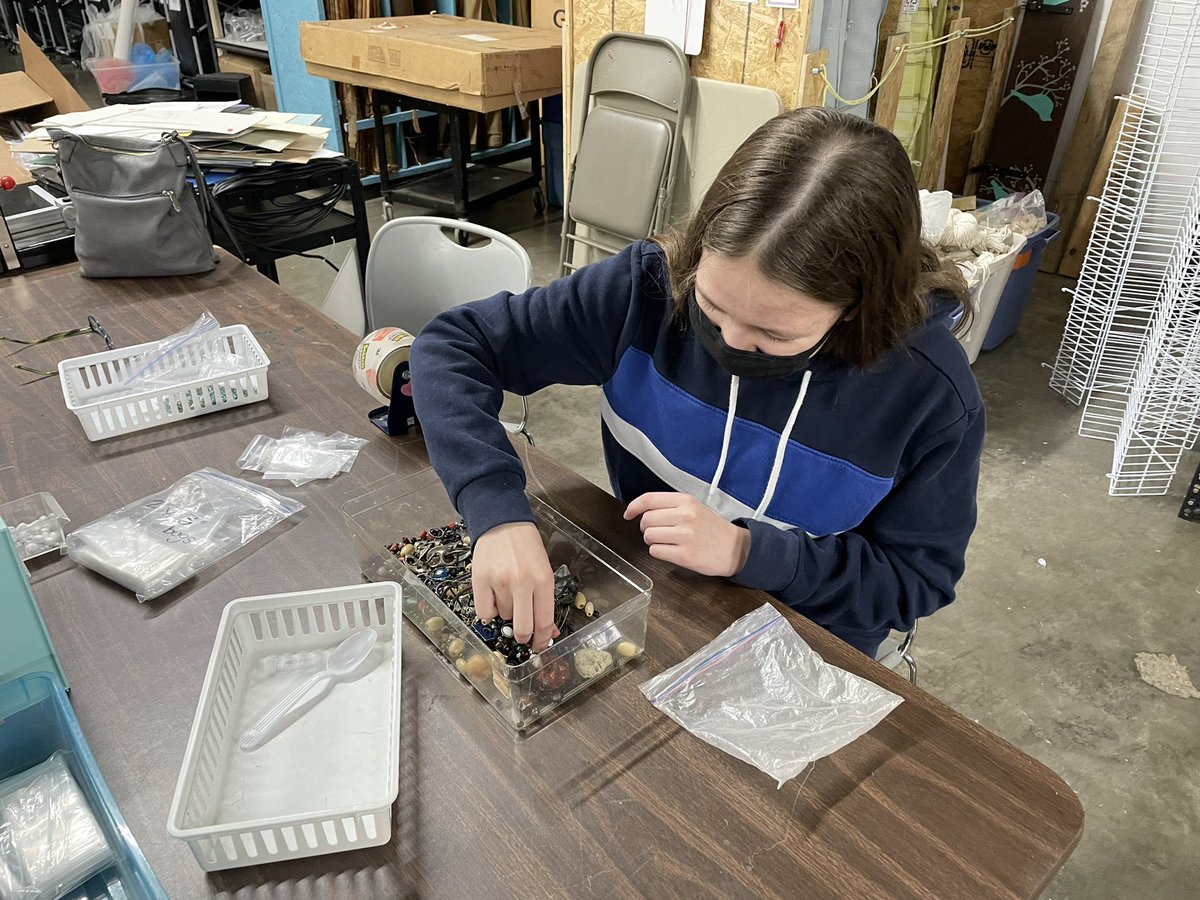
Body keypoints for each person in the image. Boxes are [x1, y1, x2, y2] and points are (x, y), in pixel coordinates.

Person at [409, 107, 984, 660]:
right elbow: (453, 346)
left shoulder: (929, 395)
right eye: (711, 306)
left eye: (772, 333)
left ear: (859, 307)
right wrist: (497, 513)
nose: (730, 342)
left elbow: (915, 579)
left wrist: (747, 552)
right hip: (652, 598)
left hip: (807, 641)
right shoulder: (649, 289)